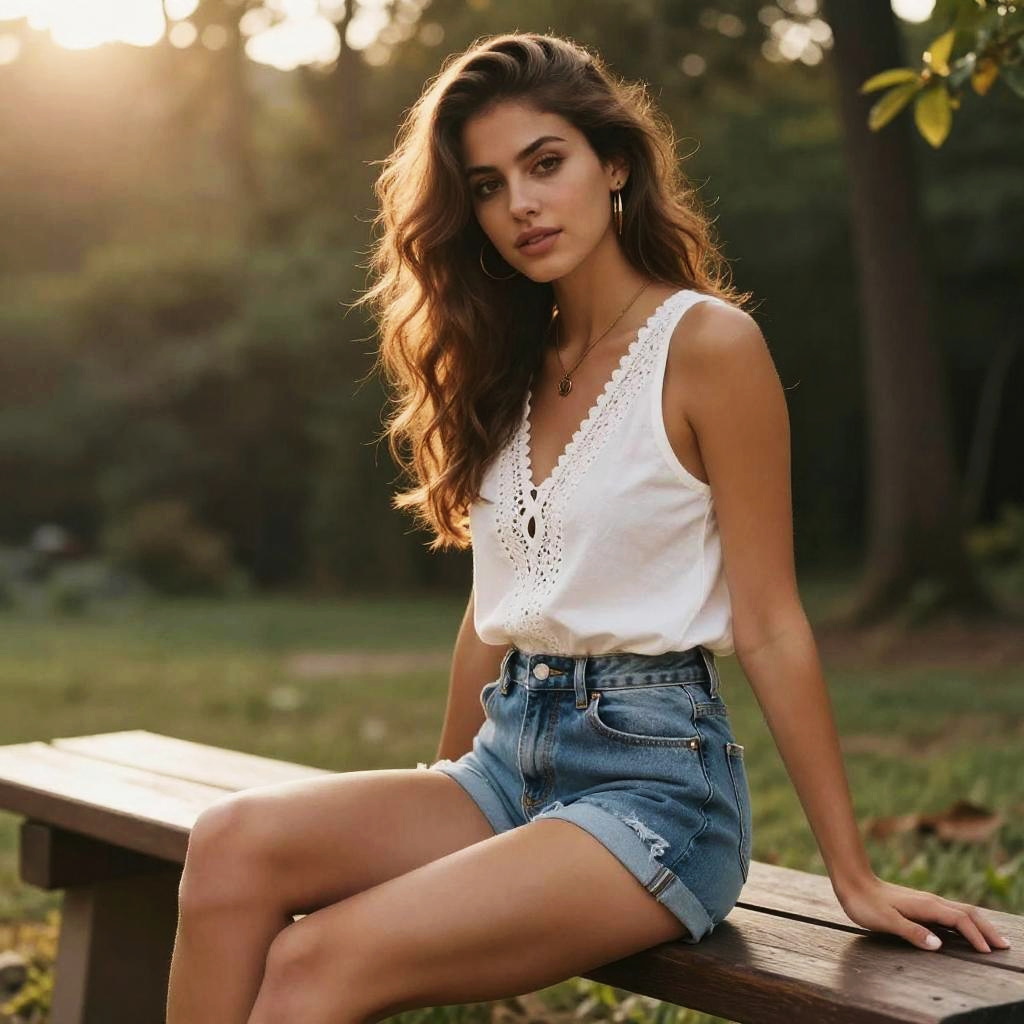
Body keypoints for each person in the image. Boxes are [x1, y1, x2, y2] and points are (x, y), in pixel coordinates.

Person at [165, 29, 1011, 1024]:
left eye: (544, 163)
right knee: (226, 846)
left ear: (614, 164)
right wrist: (436, 799)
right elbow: (495, 604)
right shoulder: (505, 362)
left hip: (656, 789)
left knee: (320, 961)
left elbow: (772, 623)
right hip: (505, 759)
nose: (519, 204)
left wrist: (852, 875)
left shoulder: (705, 345)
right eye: (485, 185)